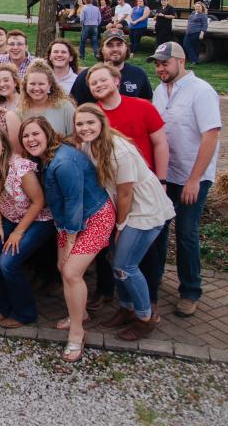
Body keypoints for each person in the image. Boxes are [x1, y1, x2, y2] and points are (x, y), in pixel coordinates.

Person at [73, 104, 175, 340]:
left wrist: (119, 227)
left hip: (143, 211)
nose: (85, 128)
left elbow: (126, 194)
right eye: (80, 124)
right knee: (115, 261)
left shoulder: (119, 150)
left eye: (90, 123)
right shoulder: (90, 145)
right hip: (126, 209)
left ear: (101, 122)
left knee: (124, 267)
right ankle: (127, 308)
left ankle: (145, 317)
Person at [20, 116, 115, 363]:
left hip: (95, 217)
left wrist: (70, 240)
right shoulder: (48, 159)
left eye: (35, 134)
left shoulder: (62, 162)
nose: (31, 140)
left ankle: (77, 332)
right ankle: (79, 313)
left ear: (48, 133)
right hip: (69, 221)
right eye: (26, 136)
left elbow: (75, 201)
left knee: (71, 271)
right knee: (63, 267)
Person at [85, 62, 170, 309]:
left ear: (116, 81)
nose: (98, 85)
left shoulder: (142, 107)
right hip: (109, 193)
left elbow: (161, 144)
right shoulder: (92, 118)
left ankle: (148, 301)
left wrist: (162, 179)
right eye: (93, 83)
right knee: (110, 249)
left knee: (144, 253)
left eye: (103, 80)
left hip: (139, 192)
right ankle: (114, 297)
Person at [149, 41, 221, 318]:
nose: (160, 68)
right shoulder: (159, 90)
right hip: (167, 174)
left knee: (186, 232)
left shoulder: (201, 91)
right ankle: (154, 282)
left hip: (193, 175)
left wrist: (195, 179)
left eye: (165, 63)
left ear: (181, 61)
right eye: (157, 63)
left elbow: (210, 135)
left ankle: (190, 290)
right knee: (159, 229)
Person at [0, 124, 52, 328]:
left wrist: (18, 233)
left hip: (37, 219)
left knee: (7, 262)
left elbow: (39, 201)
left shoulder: (19, 167)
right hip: (9, 219)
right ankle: (3, 307)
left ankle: (25, 313)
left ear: (3, 146)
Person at [70, 30, 153, 105]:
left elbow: (147, 103)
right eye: (110, 45)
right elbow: (74, 105)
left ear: (126, 47)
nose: (115, 49)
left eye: (119, 45)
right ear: (102, 49)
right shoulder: (87, 76)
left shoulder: (139, 74)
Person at [18, 60, 76, 137]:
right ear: (26, 85)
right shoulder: (20, 111)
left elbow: (75, 137)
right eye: (32, 84)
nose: (36, 88)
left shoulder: (65, 107)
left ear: (49, 85)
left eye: (41, 84)